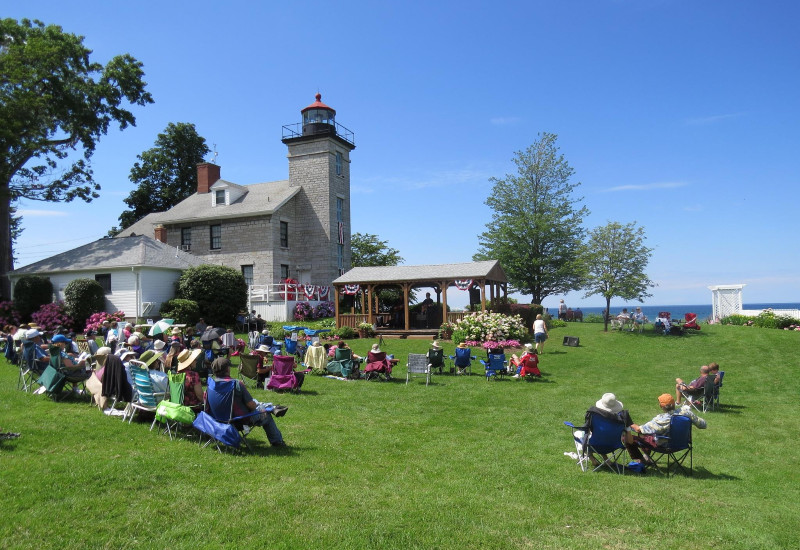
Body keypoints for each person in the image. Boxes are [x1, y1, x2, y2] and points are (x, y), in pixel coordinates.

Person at [210, 357, 287, 447]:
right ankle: (277, 441)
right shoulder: (236, 384)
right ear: (227, 369)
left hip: (216, 420)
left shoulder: (211, 384)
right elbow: (252, 406)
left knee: (256, 403)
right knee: (265, 414)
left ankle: (271, 407)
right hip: (238, 420)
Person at [577, 393, 649, 466]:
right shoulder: (623, 418)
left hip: (595, 444)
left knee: (579, 434)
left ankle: (592, 458)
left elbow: (587, 430)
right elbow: (630, 441)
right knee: (605, 437)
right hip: (614, 445)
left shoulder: (594, 415)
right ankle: (606, 460)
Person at [630, 393, 706, 461]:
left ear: (661, 406)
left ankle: (642, 460)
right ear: (674, 403)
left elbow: (639, 430)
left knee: (628, 437)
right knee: (648, 433)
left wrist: (628, 422)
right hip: (683, 443)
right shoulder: (686, 413)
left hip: (666, 445)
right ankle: (646, 457)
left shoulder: (661, 420)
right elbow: (703, 425)